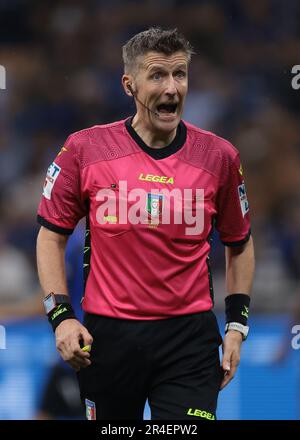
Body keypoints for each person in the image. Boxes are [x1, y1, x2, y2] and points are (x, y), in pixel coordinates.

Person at [36, 27, 255, 420]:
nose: (172, 88)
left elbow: (239, 242)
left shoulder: (220, 157)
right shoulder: (84, 150)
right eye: (157, 75)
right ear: (129, 85)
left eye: (180, 74)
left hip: (190, 340)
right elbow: (51, 236)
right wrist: (61, 317)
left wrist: (237, 327)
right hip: (109, 339)